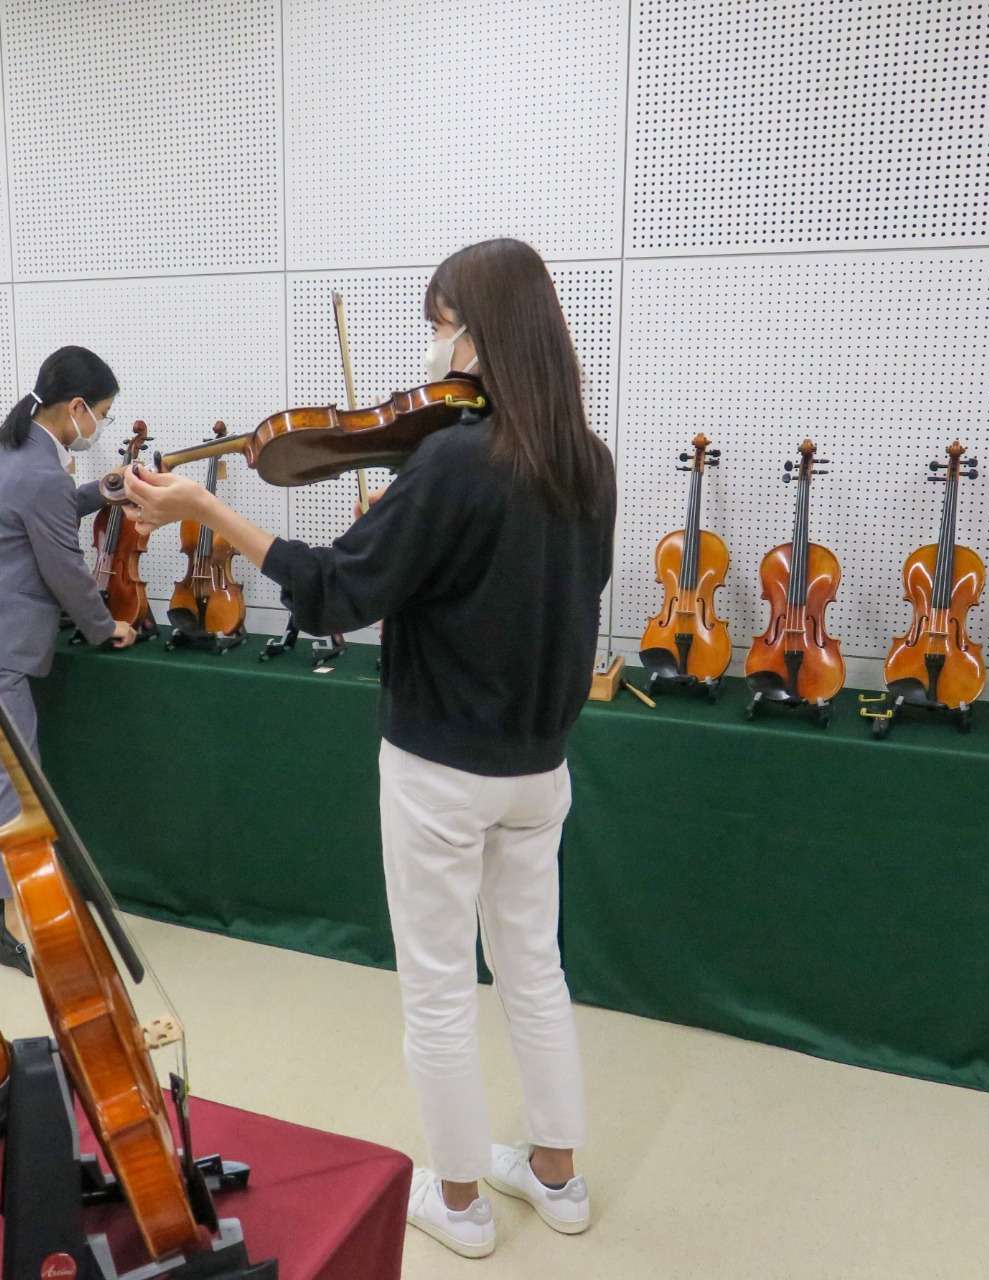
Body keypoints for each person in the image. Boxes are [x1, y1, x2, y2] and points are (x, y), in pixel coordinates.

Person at [124, 239, 614, 1260]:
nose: (434, 347)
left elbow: (333, 595)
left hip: (441, 765)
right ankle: (559, 1180)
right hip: (540, 767)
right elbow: (522, 588)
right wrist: (400, 539)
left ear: (476, 329)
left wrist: (207, 504)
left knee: (438, 982)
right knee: (534, 970)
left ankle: (466, 1203)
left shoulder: (448, 461)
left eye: (440, 323)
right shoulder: (583, 459)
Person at [0, 346, 136, 974]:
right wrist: (108, 630)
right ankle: (17, 924)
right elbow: (66, 572)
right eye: (100, 413)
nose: (98, 424)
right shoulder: (38, 470)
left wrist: (98, 493)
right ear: (77, 408)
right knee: (18, 785)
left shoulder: (7, 448)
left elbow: (38, 514)